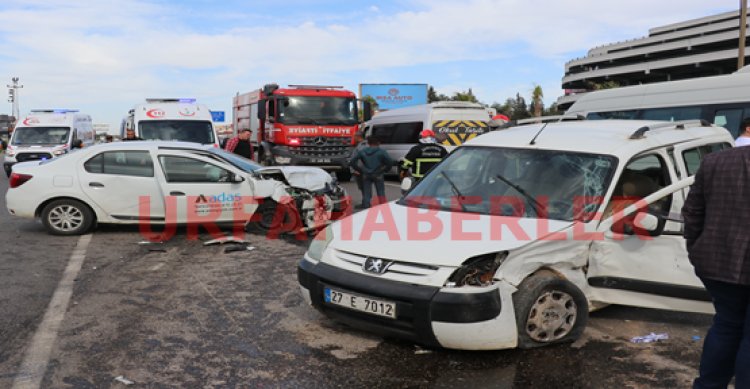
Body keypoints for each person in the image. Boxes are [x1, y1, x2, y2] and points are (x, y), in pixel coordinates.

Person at [682, 147, 750, 389]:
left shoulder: (715, 160)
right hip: (718, 262)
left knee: (727, 325)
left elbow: (692, 213)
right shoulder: (716, 160)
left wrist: (696, 247)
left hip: (718, 263)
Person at [349, 136, 393, 209]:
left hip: (366, 174)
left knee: (367, 193)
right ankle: (383, 208)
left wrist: (360, 170)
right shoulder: (381, 152)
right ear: (378, 143)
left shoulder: (363, 151)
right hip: (378, 174)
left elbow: (352, 162)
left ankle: (366, 207)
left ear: (368, 143)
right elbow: (389, 162)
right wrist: (385, 170)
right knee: (381, 192)